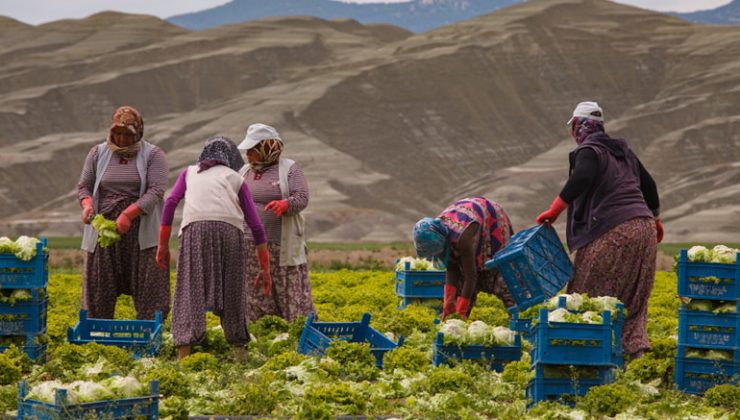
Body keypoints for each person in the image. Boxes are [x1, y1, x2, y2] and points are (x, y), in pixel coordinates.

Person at [535, 101, 662, 360]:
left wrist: (554, 210)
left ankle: (580, 360)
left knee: (583, 295)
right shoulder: (623, 152)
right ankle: (632, 361)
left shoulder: (590, 150)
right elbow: (649, 186)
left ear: (580, 127)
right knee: (633, 300)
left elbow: (581, 177)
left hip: (614, 229)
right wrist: (655, 220)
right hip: (644, 229)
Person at [157, 136, 269, 360]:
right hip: (229, 231)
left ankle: (184, 357)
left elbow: (170, 203)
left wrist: (163, 245)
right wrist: (264, 267)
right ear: (231, 158)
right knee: (233, 290)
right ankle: (239, 354)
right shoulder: (235, 178)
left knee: (189, 289)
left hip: (195, 229)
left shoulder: (189, 172)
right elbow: (256, 225)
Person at [77, 106, 170, 320]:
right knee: (99, 286)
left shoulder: (154, 155)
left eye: (127, 134)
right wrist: (87, 205)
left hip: (141, 230)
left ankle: (148, 337)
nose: (121, 138)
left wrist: (128, 214)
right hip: (104, 232)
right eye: (117, 133)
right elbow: (84, 187)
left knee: (149, 286)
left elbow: (156, 190)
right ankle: (98, 335)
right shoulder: (97, 153)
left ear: (137, 132)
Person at [237, 123, 316, 322]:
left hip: (281, 246)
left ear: (267, 148)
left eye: (252, 149)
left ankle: (294, 333)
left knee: (287, 290)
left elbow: (302, 197)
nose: (248, 154)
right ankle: (257, 331)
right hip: (249, 246)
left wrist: (285, 205)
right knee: (254, 291)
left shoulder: (289, 169)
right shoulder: (243, 172)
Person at [413, 197, 514, 320]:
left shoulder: (462, 238)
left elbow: (470, 276)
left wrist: (461, 310)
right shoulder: (438, 232)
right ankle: (457, 316)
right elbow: (451, 266)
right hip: (470, 218)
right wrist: (449, 300)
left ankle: (518, 320)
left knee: (498, 273)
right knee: (460, 285)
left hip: (491, 217)